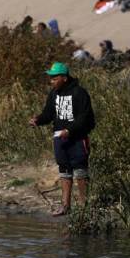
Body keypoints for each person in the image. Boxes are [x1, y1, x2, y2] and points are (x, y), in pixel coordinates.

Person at [29, 62, 95, 216]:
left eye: (54, 78)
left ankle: (84, 206)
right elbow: (48, 114)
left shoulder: (79, 93)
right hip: (59, 138)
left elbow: (85, 118)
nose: (51, 81)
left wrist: (70, 130)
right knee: (64, 170)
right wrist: (37, 120)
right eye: (50, 78)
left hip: (78, 138)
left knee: (80, 171)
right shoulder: (54, 94)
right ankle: (65, 206)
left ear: (64, 78)